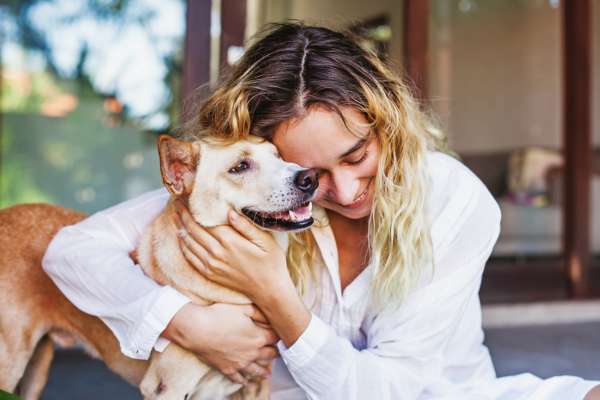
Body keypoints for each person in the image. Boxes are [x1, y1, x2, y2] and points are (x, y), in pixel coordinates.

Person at [42, 22, 600, 399]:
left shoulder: (452, 198)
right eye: (307, 176)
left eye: (357, 156)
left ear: (387, 123)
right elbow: (71, 251)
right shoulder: (256, 190)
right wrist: (189, 323)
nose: (347, 190)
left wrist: (274, 294)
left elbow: (389, 389)